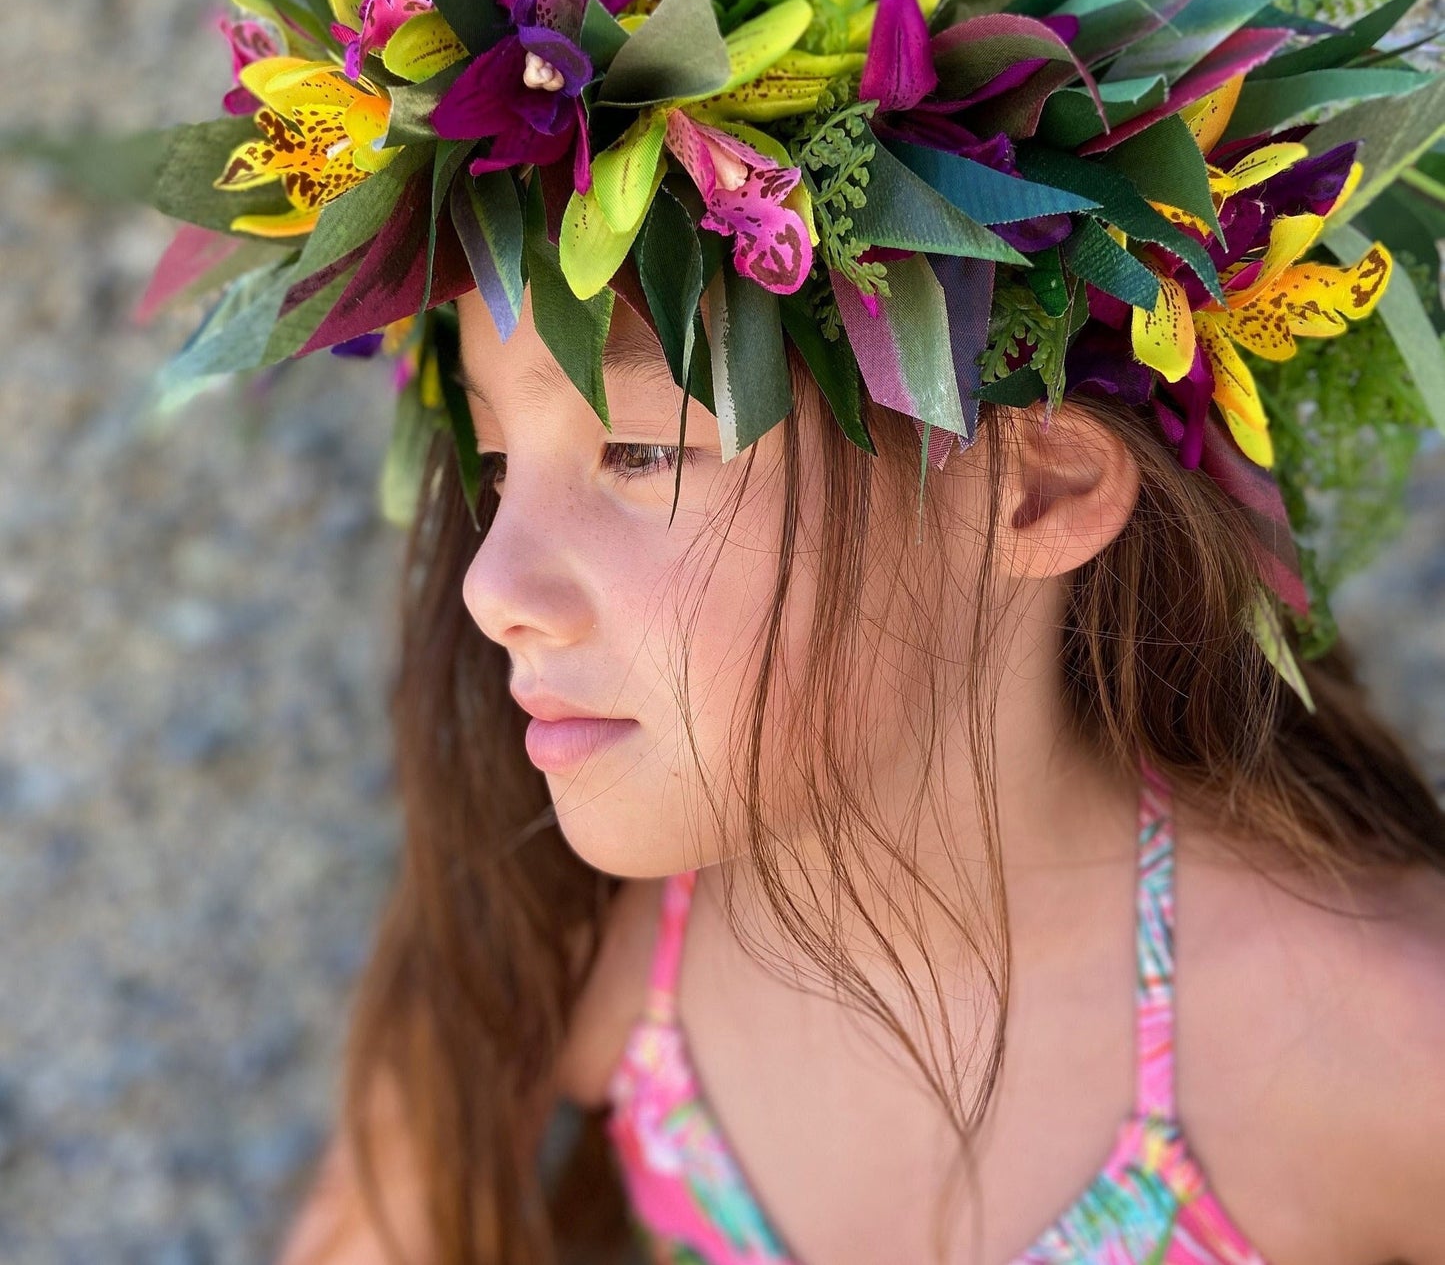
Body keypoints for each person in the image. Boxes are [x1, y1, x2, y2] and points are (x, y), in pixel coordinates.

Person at [271, 280, 1445, 1265]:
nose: (489, 584)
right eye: (492, 460)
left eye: (639, 448)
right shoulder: (573, 949)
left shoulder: (1377, 1045)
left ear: (1035, 488)